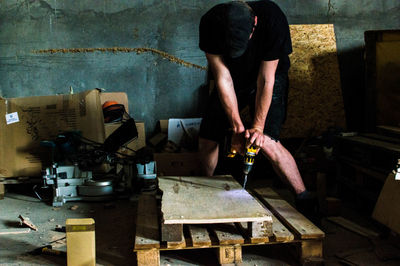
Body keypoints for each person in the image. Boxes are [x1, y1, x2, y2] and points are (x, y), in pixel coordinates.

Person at [198, 0, 312, 201]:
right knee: (209, 135)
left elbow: (266, 79)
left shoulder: (272, 18)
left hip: (270, 75)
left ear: (255, 24)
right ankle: (204, 192)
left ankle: (303, 198)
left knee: (267, 140)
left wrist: (257, 128)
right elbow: (222, 77)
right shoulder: (210, 23)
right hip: (232, 75)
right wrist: (237, 128)